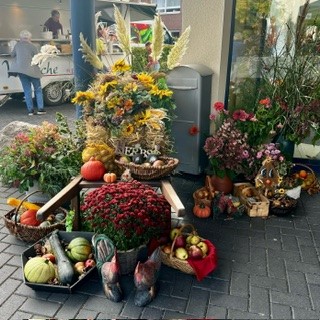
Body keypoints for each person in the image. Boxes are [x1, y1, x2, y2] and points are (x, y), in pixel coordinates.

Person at [9, 30, 46, 116]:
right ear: (29, 38)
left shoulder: (17, 45)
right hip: (33, 71)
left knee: (27, 90)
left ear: (21, 38)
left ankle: (30, 111)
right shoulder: (33, 46)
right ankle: (41, 109)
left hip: (22, 72)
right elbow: (38, 57)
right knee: (38, 90)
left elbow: (12, 55)